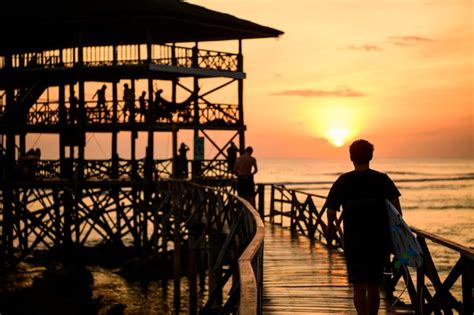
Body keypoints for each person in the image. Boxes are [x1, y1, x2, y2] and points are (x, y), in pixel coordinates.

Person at [324, 139, 402, 315]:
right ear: (371, 156)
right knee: (374, 285)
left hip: (354, 242)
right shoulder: (382, 180)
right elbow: (398, 212)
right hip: (378, 240)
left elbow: (330, 211)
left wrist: (331, 228)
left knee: (358, 287)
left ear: (351, 157)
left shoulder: (343, 181)